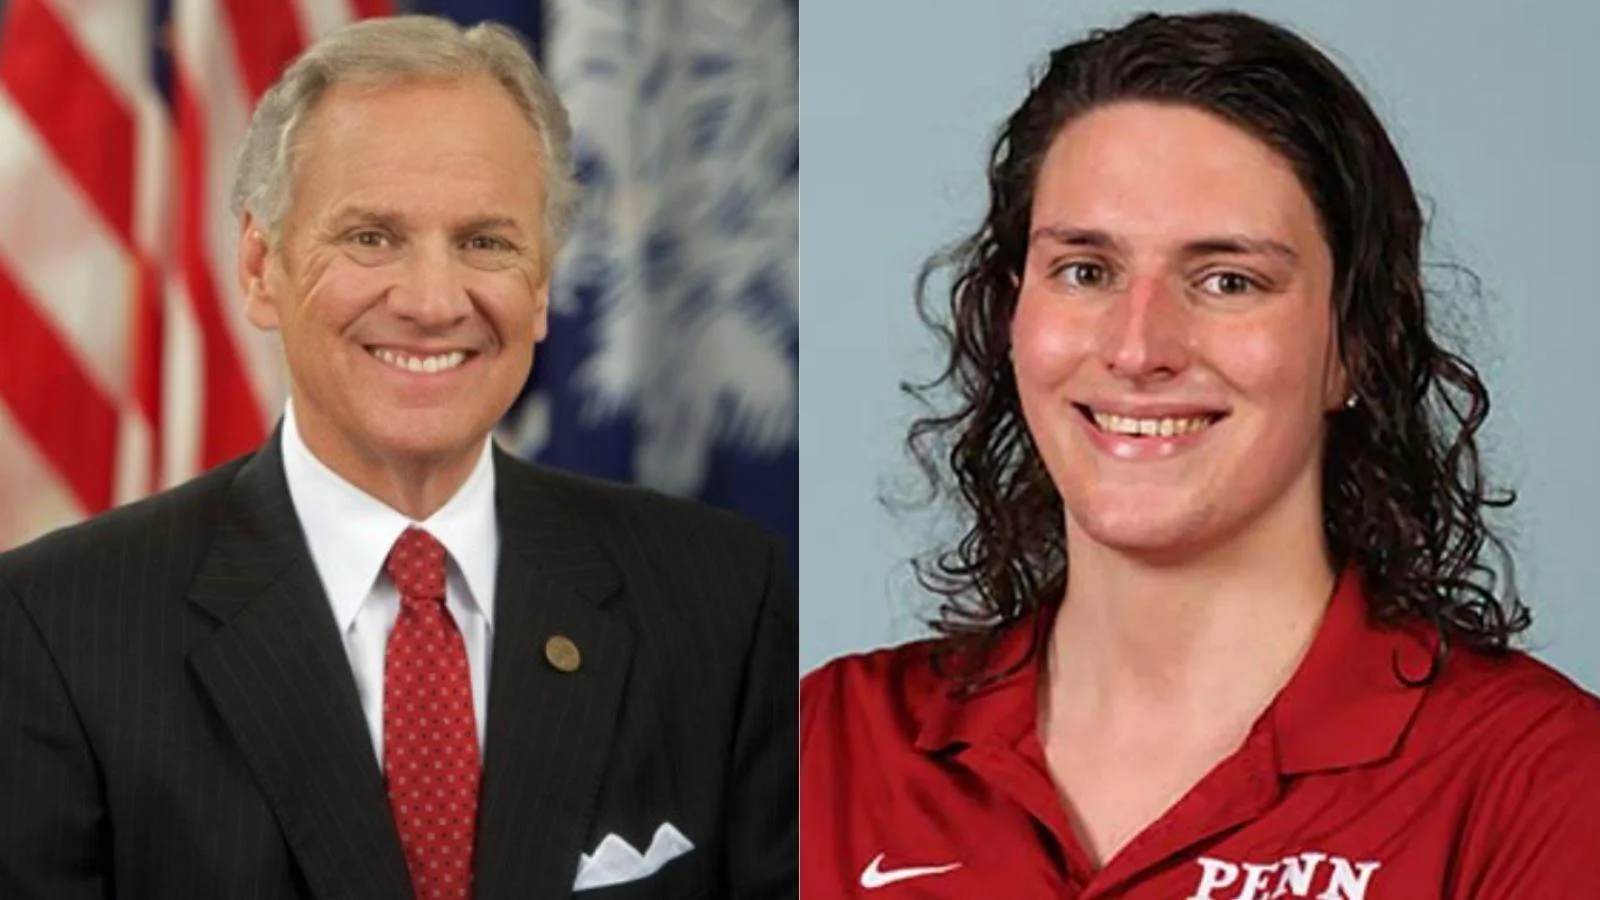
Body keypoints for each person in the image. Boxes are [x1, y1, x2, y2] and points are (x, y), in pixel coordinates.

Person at [801, 11, 1600, 899]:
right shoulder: (826, 746)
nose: (1140, 348)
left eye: (1228, 281)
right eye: (1086, 271)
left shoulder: (1538, 783)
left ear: (1357, 346)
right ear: (1010, 315)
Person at [0, 16, 795, 900]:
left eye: (485, 242)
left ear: (541, 287)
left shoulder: (723, 596)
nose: (430, 301)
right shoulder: (54, 628)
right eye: (371, 237)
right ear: (263, 266)